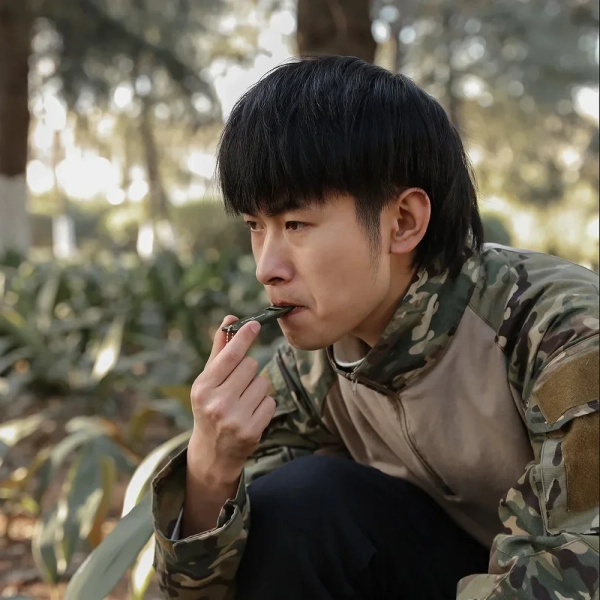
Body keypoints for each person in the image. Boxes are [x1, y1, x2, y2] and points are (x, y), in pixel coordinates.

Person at [151, 56, 599, 600]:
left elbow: (580, 572)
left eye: (295, 223)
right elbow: (206, 592)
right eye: (255, 226)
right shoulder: (314, 368)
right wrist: (210, 467)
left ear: (403, 222)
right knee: (297, 507)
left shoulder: (561, 330)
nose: (266, 267)